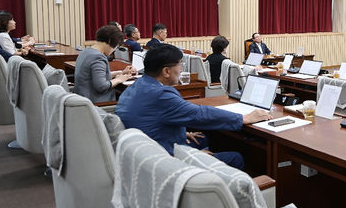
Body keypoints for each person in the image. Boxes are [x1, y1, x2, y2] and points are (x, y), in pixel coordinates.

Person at [115, 44, 272, 168]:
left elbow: (148, 120)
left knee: (202, 138)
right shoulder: (161, 94)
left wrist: (179, 132)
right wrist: (244, 118)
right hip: (165, 159)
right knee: (236, 158)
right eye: (180, 64)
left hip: (144, 151)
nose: (182, 68)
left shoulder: (136, 86)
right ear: (166, 71)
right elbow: (199, 114)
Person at [74, 25, 135, 103]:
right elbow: (101, 86)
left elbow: (95, 76)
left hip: (83, 98)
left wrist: (121, 73)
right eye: (116, 46)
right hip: (97, 104)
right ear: (110, 41)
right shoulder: (98, 57)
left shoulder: (86, 52)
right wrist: (119, 79)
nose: (115, 50)